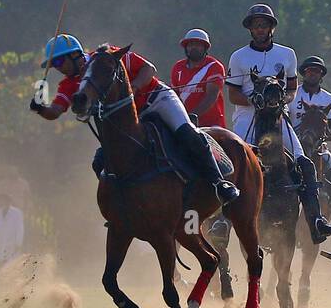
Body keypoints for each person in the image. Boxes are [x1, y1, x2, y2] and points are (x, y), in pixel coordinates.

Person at [30, 34, 239, 205]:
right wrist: (40, 107)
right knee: (100, 161)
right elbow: (56, 111)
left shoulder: (108, 56)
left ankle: (219, 184)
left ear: (75, 55)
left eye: (58, 61)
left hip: (158, 99)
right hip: (134, 120)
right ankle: (123, 205)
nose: (57, 67)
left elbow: (149, 69)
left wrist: (136, 87)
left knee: (188, 134)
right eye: (53, 64)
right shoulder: (69, 84)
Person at [226, 4, 331, 243]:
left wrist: (280, 102)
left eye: (264, 24)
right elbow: (233, 95)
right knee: (232, 163)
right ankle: (221, 223)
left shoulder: (287, 54)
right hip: (248, 116)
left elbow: (292, 89)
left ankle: (315, 220)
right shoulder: (239, 57)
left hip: (278, 116)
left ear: (271, 28)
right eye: (256, 25)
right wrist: (254, 99)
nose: (260, 29)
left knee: (304, 161)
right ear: (251, 29)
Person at [290, 55, 331, 233]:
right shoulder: (292, 94)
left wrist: (325, 133)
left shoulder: (330, 100)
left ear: (321, 75)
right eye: (309, 71)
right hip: (292, 146)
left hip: (318, 148)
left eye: (316, 71)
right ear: (303, 73)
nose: (312, 74)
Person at [170, 28, 226, 129]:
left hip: (212, 126)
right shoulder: (177, 67)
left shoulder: (214, 66)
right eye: (190, 45)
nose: (193, 48)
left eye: (198, 45)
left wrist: (192, 116)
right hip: (185, 124)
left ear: (205, 48)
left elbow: (211, 96)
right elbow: (174, 97)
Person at [0, 193, 25, 266]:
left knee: (11, 264)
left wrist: (18, 243)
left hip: (12, 243)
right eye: (1, 201)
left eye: (5, 200)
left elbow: (20, 229)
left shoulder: (17, 213)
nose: (3, 202)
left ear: (9, 201)